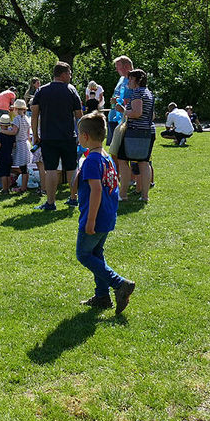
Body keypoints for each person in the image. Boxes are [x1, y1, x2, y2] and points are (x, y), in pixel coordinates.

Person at [74, 112, 136, 312]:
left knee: (84, 255)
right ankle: (102, 296)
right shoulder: (105, 157)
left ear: (85, 137)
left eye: (78, 134)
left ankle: (119, 284)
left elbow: (97, 190)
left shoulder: (92, 160)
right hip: (108, 215)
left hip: (95, 217)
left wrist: (90, 221)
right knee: (96, 254)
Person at [31, 62, 83, 210]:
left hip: (48, 137)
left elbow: (34, 116)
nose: (71, 76)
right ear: (63, 74)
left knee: (51, 169)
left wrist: (35, 135)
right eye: (70, 73)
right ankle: (74, 199)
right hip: (68, 136)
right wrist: (81, 135)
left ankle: (50, 202)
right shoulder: (71, 90)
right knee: (72, 168)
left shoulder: (41, 91)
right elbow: (79, 116)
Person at [115, 69, 155, 203]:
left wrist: (123, 110)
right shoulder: (149, 93)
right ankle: (145, 196)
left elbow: (137, 113)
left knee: (123, 160)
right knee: (144, 163)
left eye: (131, 79)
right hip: (147, 131)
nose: (129, 82)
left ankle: (123, 194)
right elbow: (152, 115)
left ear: (137, 80)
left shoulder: (137, 93)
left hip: (134, 132)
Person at [107, 56, 132, 146]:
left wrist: (118, 100)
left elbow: (137, 99)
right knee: (113, 148)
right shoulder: (121, 79)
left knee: (122, 148)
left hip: (125, 118)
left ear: (126, 66)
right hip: (114, 117)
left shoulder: (133, 79)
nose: (116, 69)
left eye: (118, 67)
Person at [11, 99, 32, 192]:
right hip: (26, 143)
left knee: (23, 168)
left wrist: (4, 131)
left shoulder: (16, 119)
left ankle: (23, 188)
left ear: (15, 109)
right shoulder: (26, 118)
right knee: (25, 168)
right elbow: (28, 134)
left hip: (20, 144)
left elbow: (14, 132)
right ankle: (24, 186)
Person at [0, 114, 17, 194]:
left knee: (3, 174)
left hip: (2, 156)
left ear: (0, 124)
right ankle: (8, 188)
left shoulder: (0, 135)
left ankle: (4, 189)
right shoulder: (11, 134)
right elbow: (14, 145)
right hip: (9, 155)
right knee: (8, 173)